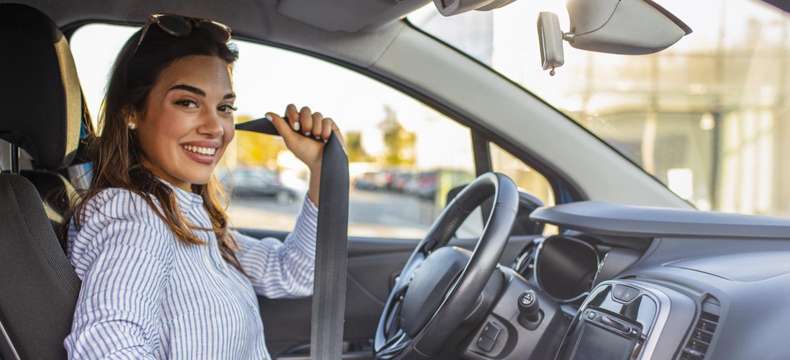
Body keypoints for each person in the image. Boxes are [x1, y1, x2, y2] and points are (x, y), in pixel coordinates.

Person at [63, 14, 343, 359]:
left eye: (224, 107)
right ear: (131, 113)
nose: (216, 127)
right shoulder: (134, 214)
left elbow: (294, 273)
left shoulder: (190, 217)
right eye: (188, 102)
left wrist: (320, 168)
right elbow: (108, 346)